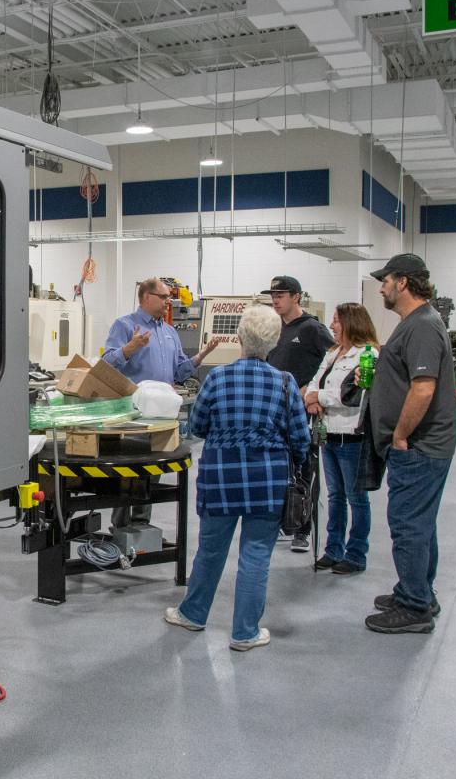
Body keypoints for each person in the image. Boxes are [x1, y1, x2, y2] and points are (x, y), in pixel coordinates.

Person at [163, 305, 310, 651]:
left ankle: (193, 614)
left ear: (241, 338)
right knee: (256, 555)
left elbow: (197, 426)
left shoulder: (217, 378)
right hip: (267, 481)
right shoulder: (285, 383)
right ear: (274, 343)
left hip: (220, 479)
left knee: (210, 550)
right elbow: (300, 438)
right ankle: (245, 633)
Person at [362, 254, 456, 634]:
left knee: (408, 525)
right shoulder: (416, 323)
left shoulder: (422, 326)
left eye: (385, 280)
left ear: (403, 282)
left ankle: (414, 607)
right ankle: (417, 592)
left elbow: (423, 389)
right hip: (419, 446)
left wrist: (400, 435)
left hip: (418, 446)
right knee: (421, 524)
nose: (381, 288)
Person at [103, 278, 219, 527]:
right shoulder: (124, 325)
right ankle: (120, 528)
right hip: (134, 416)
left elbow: (178, 372)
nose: (169, 302)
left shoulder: (169, 332)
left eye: (169, 298)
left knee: (151, 473)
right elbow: (106, 365)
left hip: (162, 417)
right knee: (129, 473)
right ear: (146, 297)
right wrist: (130, 348)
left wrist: (200, 357)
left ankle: (141, 526)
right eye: (164, 297)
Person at [303, 303, 379, 575]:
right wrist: (312, 398)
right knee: (335, 496)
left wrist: (318, 397)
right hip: (329, 434)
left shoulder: (367, 355)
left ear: (351, 323)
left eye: (336, 320)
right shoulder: (333, 353)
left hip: (352, 437)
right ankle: (333, 550)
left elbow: (353, 396)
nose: (332, 325)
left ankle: (356, 555)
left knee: (356, 499)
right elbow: (314, 382)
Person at [262, 275, 334, 552]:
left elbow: (333, 362)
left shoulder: (312, 329)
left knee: (304, 469)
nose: (275, 300)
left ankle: (302, 529)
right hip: (274, 412)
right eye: (273, 295)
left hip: (301, 412)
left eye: (280, 295)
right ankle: (283, 521)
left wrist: (312, 387)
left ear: (296, 297)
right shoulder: (274, 327)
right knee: (278, 468)